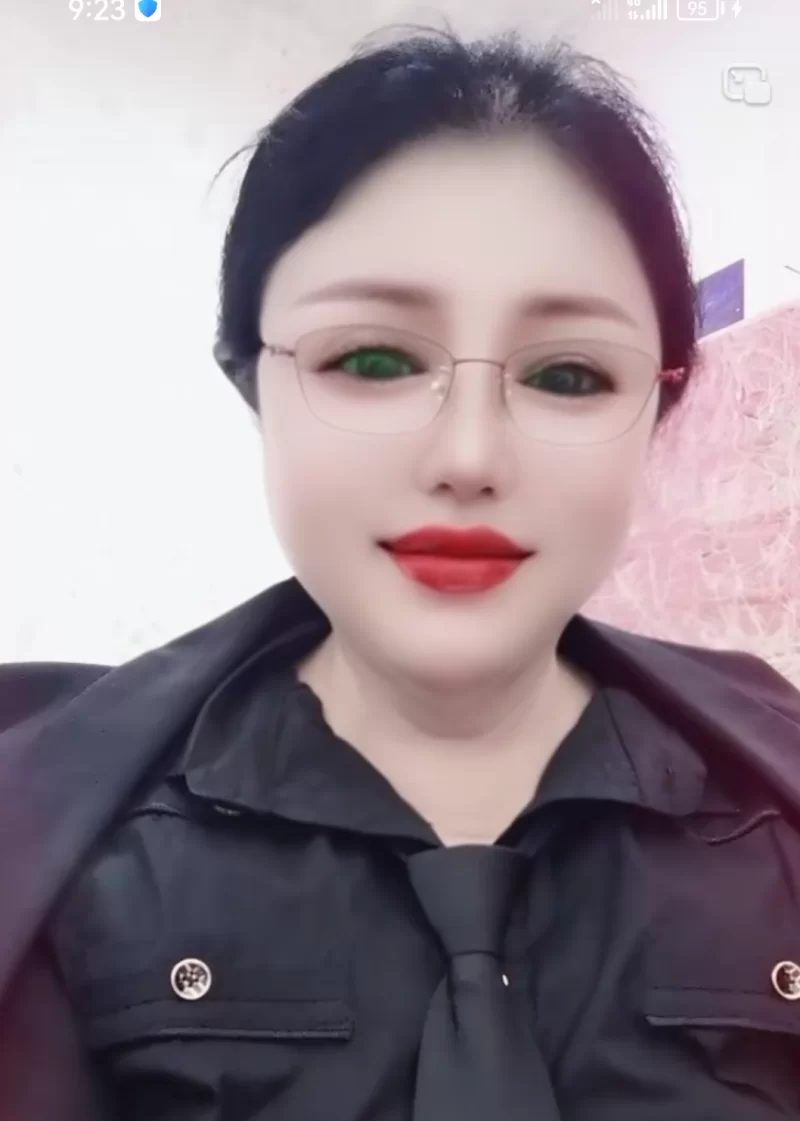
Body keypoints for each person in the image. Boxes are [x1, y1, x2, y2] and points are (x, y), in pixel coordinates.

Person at [2, 24, 800, 1121]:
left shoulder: (773, 821)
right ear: (253, 384)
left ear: (655, 410)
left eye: (568, 374)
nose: (467, 456)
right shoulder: (57, 851)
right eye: (372, 358)